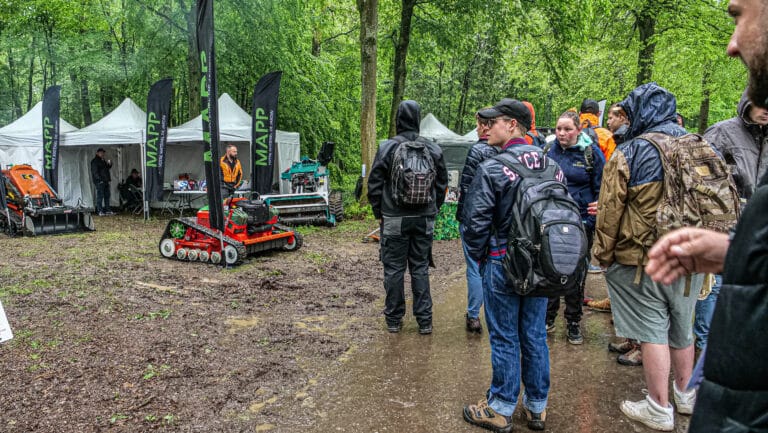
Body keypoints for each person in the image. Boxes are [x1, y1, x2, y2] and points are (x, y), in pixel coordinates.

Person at [647, 1, 768, 427]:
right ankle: (687, 390)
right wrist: (735, 250)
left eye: (740, 17)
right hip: (730, 254)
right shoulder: (720, 134)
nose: (732, 46)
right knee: (701, 323)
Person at [594, 82, 701, 431]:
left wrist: (603, 256)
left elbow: (610, 211)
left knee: (653, 331)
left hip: (645, 259)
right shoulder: (698, 144)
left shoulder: (632, 151)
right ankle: (686, 395)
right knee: (683, 329)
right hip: (694, 256)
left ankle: (658, 406)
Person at [462, 98, 559, 432]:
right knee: (533, 335)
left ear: (513, 125)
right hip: (541, 266)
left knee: (504, 337)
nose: (487, 128)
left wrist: (479, 259)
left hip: (503, 262)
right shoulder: (552, 165)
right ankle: (537, 407)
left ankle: (501, 407)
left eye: (495, 122)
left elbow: (475, 223)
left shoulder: (493, 167)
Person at [693, 89, 768, 358]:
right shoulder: (722, 133)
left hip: (758, 233)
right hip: (722, 228)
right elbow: (697, 180)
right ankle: (704, 352)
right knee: (714, 288)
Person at [367, 99, 448, 334]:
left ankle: (393, 320)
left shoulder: (387, 147)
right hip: (424, 218)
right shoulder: (432, 148)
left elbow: (374, 183)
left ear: (398, 119)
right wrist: (434, 208)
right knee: (420, 268)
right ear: (418, 118)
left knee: (393, 270)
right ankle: (425, 321)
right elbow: (442, 183)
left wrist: (378, 213)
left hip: (393, 218)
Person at [543, 110, 605, 345]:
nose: (562, 133)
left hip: (580, 224)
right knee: (550, 268)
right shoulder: (548, 151)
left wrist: (593, 217)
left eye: (568, 129)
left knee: (576, 272)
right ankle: (548, 317)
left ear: (579, 130)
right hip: (551, 223)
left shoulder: (592, 154)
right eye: (559, 129)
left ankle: (573, 321)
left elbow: (602, 189)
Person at [456, 112, 497, 334]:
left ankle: (473, 316)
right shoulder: (505, 150)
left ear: (483, 127)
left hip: (475, 220)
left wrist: (462, 216)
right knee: (494, 266)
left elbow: (466, 187)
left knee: (474, 267)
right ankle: (493, 314)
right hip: (496, 220)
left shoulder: (477, 151)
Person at [90, 148, 113, 216]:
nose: (102, 154)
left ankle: (107, 210)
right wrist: (99, 180)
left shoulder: (102, 160)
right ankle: (100, 211)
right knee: (100, 196)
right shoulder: (95, 161)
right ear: (97, 153)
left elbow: (106, 168)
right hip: (100, 181)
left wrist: (109, 164)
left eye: (103, 153)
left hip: (105, 181)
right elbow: (95, 172)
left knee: (107, 196)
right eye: (101, 152)